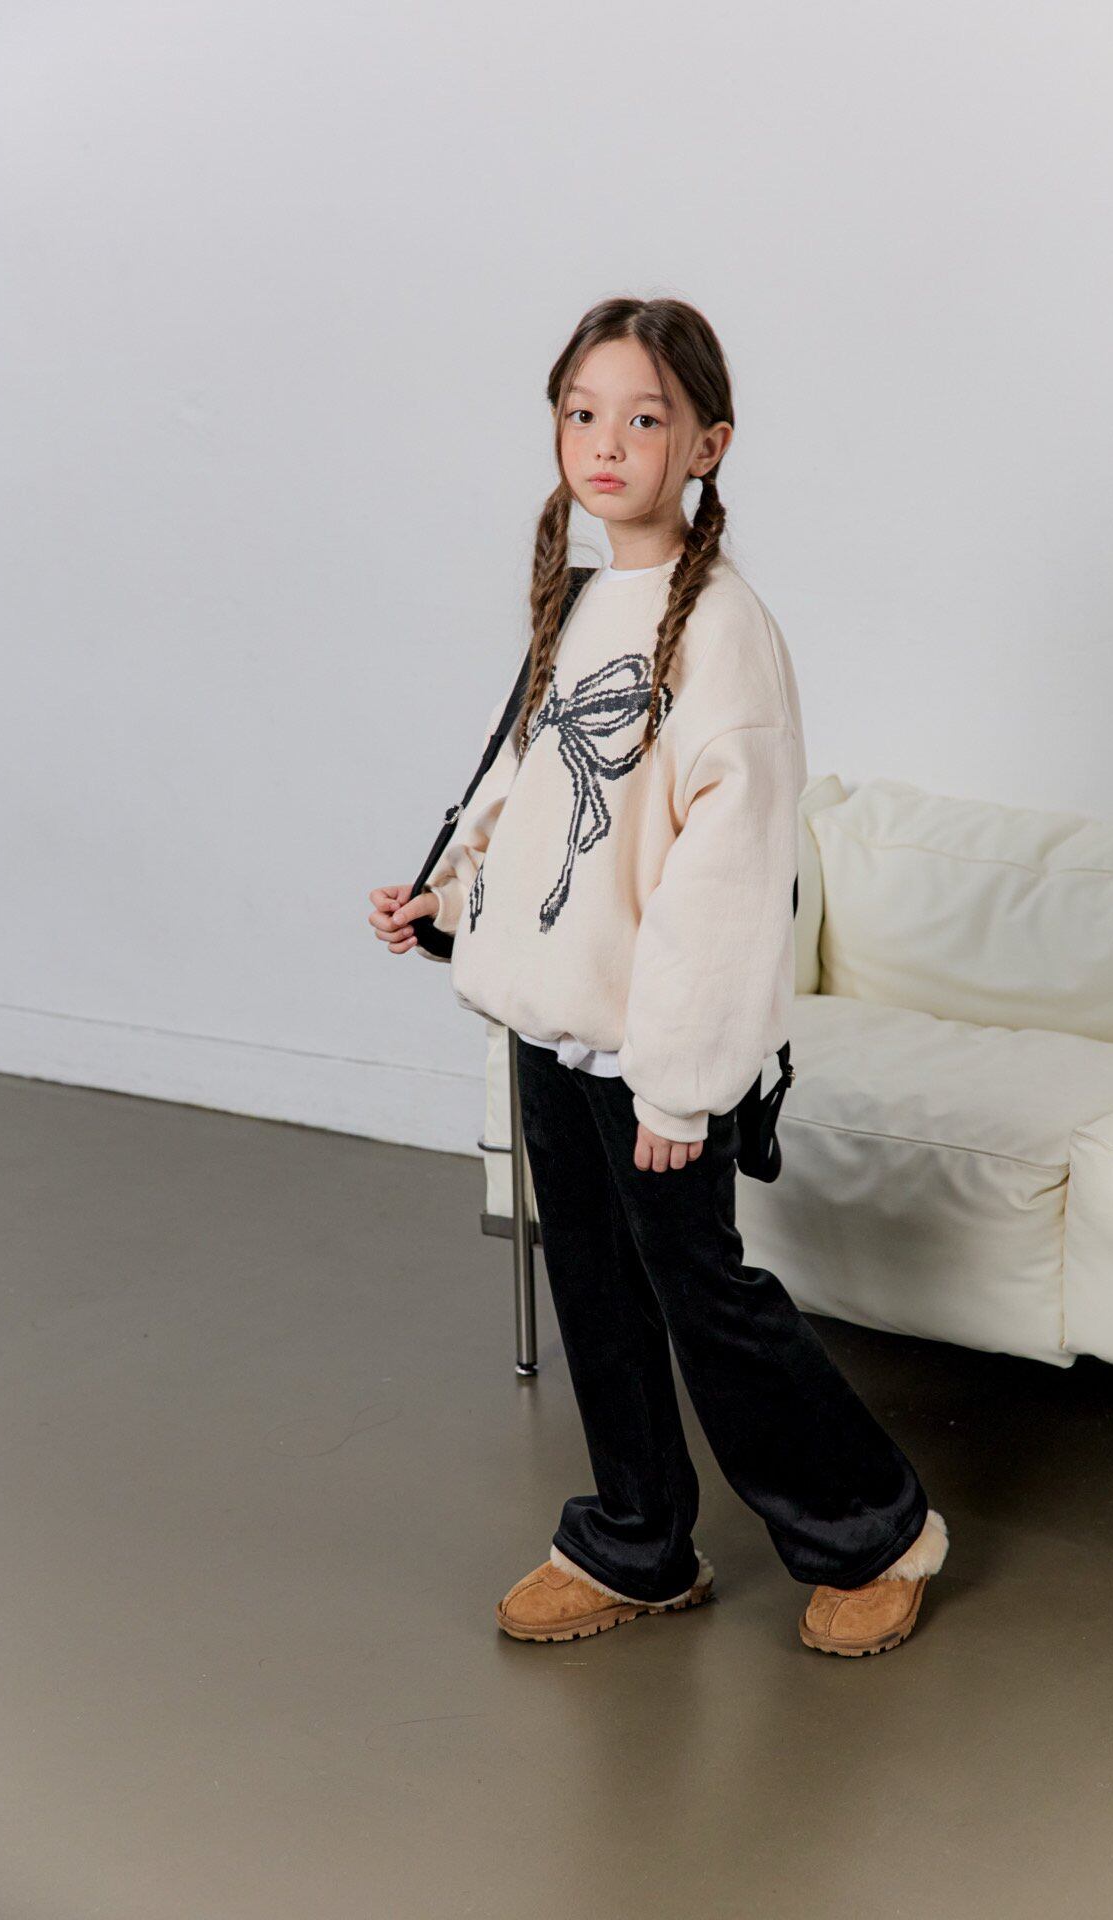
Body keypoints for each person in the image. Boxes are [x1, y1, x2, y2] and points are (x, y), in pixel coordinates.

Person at [369, 296, 948, 1656]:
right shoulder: (579, 603)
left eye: (644, 417)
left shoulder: (725, 632)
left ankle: (876, 1528)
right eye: (583, 414)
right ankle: (637, 1541)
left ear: (706, 444)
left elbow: (727, 883)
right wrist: (448, 900)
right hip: (552, 1029)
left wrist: (680, 1086)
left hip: (652, 1056)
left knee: (707, 1301)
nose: (607, 443)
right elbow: (527, 790)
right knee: (595, 1288)